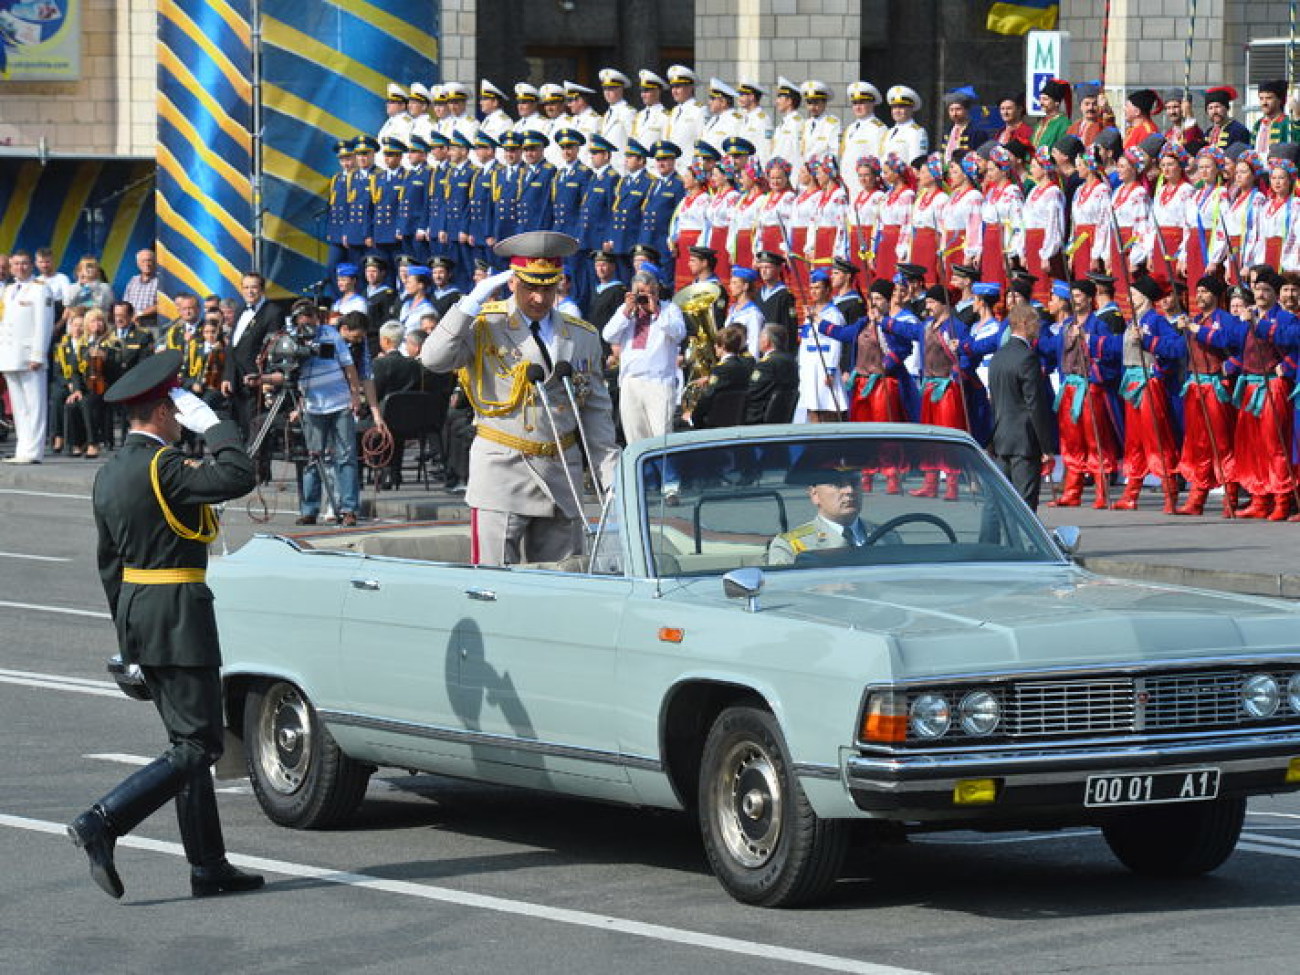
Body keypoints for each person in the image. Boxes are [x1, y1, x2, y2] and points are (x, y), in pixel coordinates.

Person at [68, 349, 264, 901]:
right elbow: (239, 474)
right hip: (178, 613)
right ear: (161, 414)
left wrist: (126, 640)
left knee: (186, 741)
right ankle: (102, 822)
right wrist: (217, 426)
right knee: (198, 744)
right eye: (177, 413)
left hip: (139, 613)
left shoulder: (109, 472)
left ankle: (209, 866)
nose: (181, 421)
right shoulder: (166, 467)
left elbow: (109, 565)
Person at [420, 231, 619, 566]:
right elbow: (433, 359)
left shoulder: (582, 335)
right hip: (503, 470)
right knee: (495, 582)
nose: (539, 299)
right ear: (512, 283)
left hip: (561, 474)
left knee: (565, 581)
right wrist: (470, 303)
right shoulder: (485, 324)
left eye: (548, 288)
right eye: (531, 287)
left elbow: (596, 415)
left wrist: (612, 480)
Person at [277, 299, 384, 527]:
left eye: (311, 322)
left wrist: (355, 395)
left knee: (346, 457)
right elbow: (286, 370)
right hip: (313, 406)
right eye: (303, 323)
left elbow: (349, 366)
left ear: (318, 319)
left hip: (338, 403)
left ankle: (349, 509)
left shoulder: (331, 334)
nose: (308, 328)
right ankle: (309, 510)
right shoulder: (292, 338)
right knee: (313, 458)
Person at [601, 269, 685, 443]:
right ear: (633, 293)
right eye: (641, 293)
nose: (647, 297)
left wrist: (657, 312)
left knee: (661, 439)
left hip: (658, 383)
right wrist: (626, 311)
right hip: (630, 382)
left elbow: (679, 334)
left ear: (657, 292)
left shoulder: (670, 309)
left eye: (652, 293)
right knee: (635, 439)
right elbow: (607, 335)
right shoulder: (626, 311)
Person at [987, 304, 1055, 509]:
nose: (1039, 327)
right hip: (1024, 441)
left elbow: (994, 399)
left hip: (1001, 437)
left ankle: (989, 539)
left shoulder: (998, 357)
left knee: (996, 503)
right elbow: (1034, 405)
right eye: (1036, 322)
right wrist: (1046, 446)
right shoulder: (1027, 357)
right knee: (1025, 503)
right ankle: (1024, 541)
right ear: (1024, 324)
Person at [766, 457, 893, 565]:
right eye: (837, 484)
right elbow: (784, 592)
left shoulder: (886, 536)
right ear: (814, 494)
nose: (849, 490)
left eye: (854, 482)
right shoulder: (791, 546)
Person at [0, 251, 55, 464]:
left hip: (30, 355)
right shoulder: (10, 290)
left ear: (31, 265)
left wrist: (38, 354)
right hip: (10, 355)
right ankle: (23, 448)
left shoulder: (40, 289)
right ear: (11, 267)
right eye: (16, 264)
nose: (20, 267)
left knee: (35, 405)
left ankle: (34, 451)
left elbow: (44, 323)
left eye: (24, 263)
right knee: (19, 407)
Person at [221, 272, 282, 440]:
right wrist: (227, 376)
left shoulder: (273, 312)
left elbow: (272, 348)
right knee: (239, 429)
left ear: (262, 289)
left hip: (256, 380)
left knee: (256, 431)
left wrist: (267, 380)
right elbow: (233, 347)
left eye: (254, 287)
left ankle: (257, 466)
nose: (250, 291)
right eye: (246, 287)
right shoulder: (240, 309)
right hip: (237, 380)